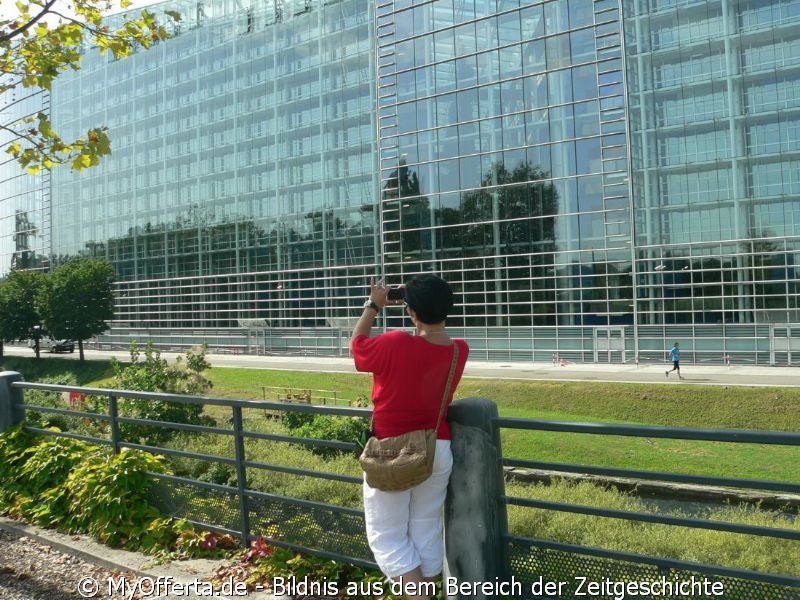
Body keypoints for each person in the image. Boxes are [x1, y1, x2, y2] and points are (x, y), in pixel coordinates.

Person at [351, 274, 469, 599]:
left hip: (393, 451)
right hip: (437, 449)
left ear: (411, 312)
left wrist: (374, 304)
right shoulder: (460, 350)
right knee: (426, 527)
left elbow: (358, 348)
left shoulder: (395, 342)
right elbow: (429, 343)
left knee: (387, 535)